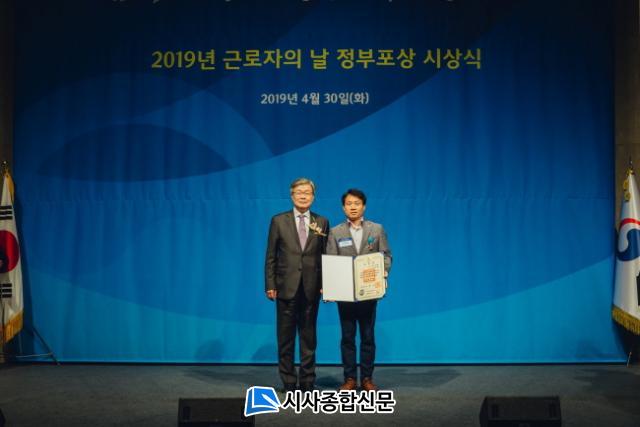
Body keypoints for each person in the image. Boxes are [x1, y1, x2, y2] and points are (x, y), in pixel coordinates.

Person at [265, 178, 329, 392]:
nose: (303, 196)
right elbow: (271, 256)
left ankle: (308, 380)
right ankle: (289, 380)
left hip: (311, 287)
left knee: (309, 337)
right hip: (285, 286)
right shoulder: (278, 221)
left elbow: (326, 256)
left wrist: (327, 284)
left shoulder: (322, 222)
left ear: (313, 197)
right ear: (292, 195)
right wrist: (270, 284)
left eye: (307, 192)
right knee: (285, 337)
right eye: (299, 192)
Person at [326, 188, 392, 391]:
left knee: (367, 337)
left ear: (364, 206)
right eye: (349, 204)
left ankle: (367, 379)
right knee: (347, 338)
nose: (353, 207)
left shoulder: (376, 229)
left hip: (369, 292)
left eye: (356, 203)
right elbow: (331, 261)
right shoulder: (335, 232)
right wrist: (330, 287)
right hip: (345, 295)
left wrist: (383, 272)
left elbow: (386, 255)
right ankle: (349, 379)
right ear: (343, 207)